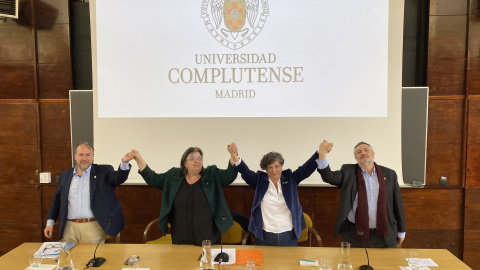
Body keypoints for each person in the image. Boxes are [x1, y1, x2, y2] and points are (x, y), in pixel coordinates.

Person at [129, 145, 238, 246]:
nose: (197, 161)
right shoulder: (173, 176)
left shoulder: (212, 174)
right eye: (192, 158)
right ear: (185, 163)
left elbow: (229, 176)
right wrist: (139, 159)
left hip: (207, 236)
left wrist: (233, 155)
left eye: (200, 158)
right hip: (180, 236)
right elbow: (154, 179)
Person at [228, 142, 322, 246]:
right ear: (266, 169)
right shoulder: (259, 180)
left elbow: (306, 169)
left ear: (281, 166)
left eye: (277, 166)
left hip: (288, 235)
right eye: (270, 167)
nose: (274, 170)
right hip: (265, 236)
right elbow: (246, 172)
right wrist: (234, 156)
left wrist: (320, 153)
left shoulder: (291, 178)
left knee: (288, 262)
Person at [317, 140, 406, 248]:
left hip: (385, 235)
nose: (363, 153)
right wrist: (322, 154)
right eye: (359, 152)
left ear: (373, 154)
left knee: (385, 264)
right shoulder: (348, 171)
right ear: (356, 158)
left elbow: (398, 204)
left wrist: (402, 230)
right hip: (356, 234)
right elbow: (329, 177)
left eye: (366, 150)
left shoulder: (390, 174)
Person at [44, 141, 133, 243]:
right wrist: (50, 223)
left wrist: (124, 162)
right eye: (81, 155)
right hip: (68, 228)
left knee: (91, 258)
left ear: (93, 156)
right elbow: (56, 201)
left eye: (88, 155)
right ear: (75, 156)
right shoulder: (65, 175)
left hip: (92, 227)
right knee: (66, 258)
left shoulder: (103, 171)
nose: (84, 159)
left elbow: (118, 179)